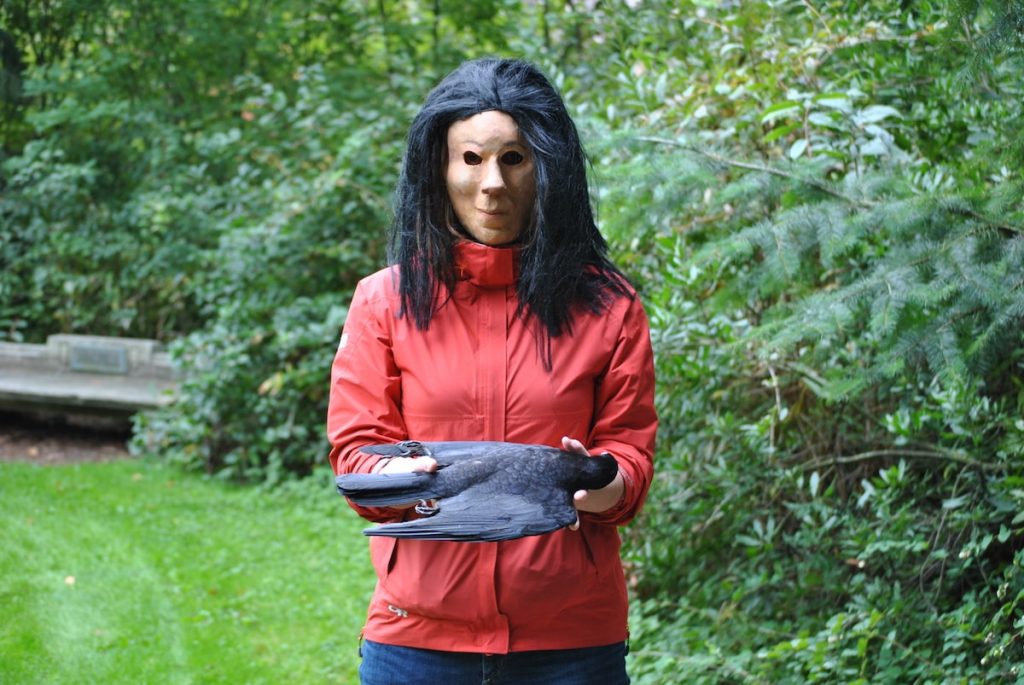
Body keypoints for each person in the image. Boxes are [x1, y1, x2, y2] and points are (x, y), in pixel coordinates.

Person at [327, 57, 657, 685]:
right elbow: (356, 450)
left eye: (515, 159)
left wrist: (605, 483)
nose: (492, 185)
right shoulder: (384, 302)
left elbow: (630, 453)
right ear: (438, 169)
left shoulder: (610, 306)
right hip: (417, 640)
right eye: (471, 159)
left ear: (549, 168)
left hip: (571, 644)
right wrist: (395, 475)